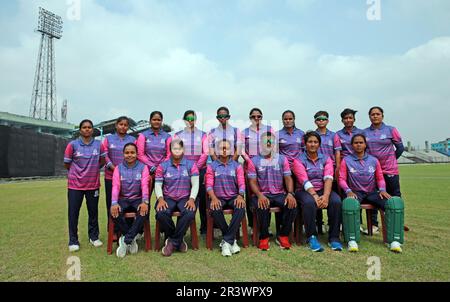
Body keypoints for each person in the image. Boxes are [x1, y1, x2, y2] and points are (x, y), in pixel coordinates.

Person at [339, 134, 404, 253]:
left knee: (394, 203)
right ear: (352, 145)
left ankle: (394, 241)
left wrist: (383, 189)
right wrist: (348, 191)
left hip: (372, 192)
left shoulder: (373, 160)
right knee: (350, 204)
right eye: (356, 143)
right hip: (355, 192)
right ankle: (351, 240)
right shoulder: (346, 160)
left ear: (365, 144)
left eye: (361, 142)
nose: (358, 145)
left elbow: (379, 177)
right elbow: (341, 179)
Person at [292, 131, 343, 252]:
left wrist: (325, 196)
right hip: (304, 191)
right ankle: (312, 236)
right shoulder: (298, 160)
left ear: (319, 144)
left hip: (323, 189)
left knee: (336, 201)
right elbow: (304, 180)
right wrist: (315, 195)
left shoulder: (327, 159)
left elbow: (328, 178)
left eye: (315, 142)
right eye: (310, 142)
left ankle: (334, 237)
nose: (312, 144)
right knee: (309, 203)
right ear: (305, 144)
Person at [247, 132, 297, 251]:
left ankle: (283, 235)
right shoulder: (253, 161)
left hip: (279, 194)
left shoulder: (282, 159)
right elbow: (252, 182)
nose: (268, 144)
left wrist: (290, 193)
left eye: (271, 141)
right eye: (265, 141)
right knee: (262, 205)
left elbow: (288, 178)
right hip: (261, 194)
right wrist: (259, 195)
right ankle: (264, 237)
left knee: (292, 206)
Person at [64, 119, 106, 252]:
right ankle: (73, 240)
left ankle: (93, 237)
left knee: (93, 212)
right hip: (75, 185)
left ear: (92, 130)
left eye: (89, 127)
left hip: (93, 185)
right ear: (80, 130)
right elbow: (67, 164)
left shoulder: (99, 145)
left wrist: (92, 171)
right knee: (73, 213)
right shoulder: (73, 145)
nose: (87, 129)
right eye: (84, 127)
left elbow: (102, 161)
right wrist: (78, 173)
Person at [154, 139, 200, 257]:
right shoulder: (162, 166)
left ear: (183, 150)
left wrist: (191, 199)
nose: (177, 151)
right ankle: (178, 240)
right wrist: (160, 199)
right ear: (170, 150)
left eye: (179, 148)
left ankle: (172, 242)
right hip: (167, 197)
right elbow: (158, 184)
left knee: (190, 213)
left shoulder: (191, 165)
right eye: (174, 148)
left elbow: (195, 184)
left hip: (185, 197)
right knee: (161, 213)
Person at [364, 106, 405, 232]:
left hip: (390, 170)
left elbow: (400, 148)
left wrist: (391, 160)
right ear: (369, 116)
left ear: (382, 115)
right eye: (372, 114)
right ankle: (374, 225)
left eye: (378, 114)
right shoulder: (365, 132)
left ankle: (398, 222)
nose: (375, 116)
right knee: (374, 197)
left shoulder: (391, 130)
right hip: (373, 171)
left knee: (395, 196)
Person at [205, 139, 246, 257]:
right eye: (221, 148)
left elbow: (242, 184)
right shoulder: (212, 166)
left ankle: (226, 241)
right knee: (215, 208)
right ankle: (231, 241)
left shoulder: (237, 166)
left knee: (240, 207)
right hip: (218, 197)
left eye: (226, 148)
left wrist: (240, 195)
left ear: (231, 150)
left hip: (233, 196)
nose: (224, 150)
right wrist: (213, 198)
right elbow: (208, 185)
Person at [110, 143, 150, 258]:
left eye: (132, 152)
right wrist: (114, 203)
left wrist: (145, 202)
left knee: (144, 211)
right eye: (127, 153)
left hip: (137, 199)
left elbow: (144, 186)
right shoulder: (118, 168)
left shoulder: (143, 167)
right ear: (123, 154)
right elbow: (116, 186)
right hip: (123, 199)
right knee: (114, 212)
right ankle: (131, 238)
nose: (130, 155)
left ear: (137, 154)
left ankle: (126, 239)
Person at [102, 116, 136, 233]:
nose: (123, 127)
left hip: (128, 178)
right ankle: (114, 231)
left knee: (128, 203)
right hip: (111, 177)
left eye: (125, 125)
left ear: (128, 127)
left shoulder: (132, 139)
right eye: (121, 124)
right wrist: (114, 168)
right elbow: (104, 155)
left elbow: (136, 156)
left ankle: (129, 229)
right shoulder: (108, 139)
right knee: (112, 203)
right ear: (116, 125)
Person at [242, 108, 274, 231]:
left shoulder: (269, 130)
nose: (256, 118)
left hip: (267, 167)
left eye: (259, 116)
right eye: (254, 116)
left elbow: (272, 146)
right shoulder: (244, 132)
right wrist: (250, 162)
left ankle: (266, 225)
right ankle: (251, 225)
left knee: (267, 194)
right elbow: (241, 150)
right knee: (251, 197)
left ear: (262, 117)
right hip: (250, 167)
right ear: (250, 118)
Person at [314, 111, 340, 232]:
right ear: (315, 121)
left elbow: (337, 152)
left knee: (330, 197)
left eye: (323, 119)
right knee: (317, 195)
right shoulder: (313, 135)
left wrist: (338, 168)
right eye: (319, 119)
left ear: (327, 121)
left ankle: (331, 223)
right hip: (316, 170)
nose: (321, 121)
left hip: (331, 171)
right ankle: (319, 224)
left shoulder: (333, 135)